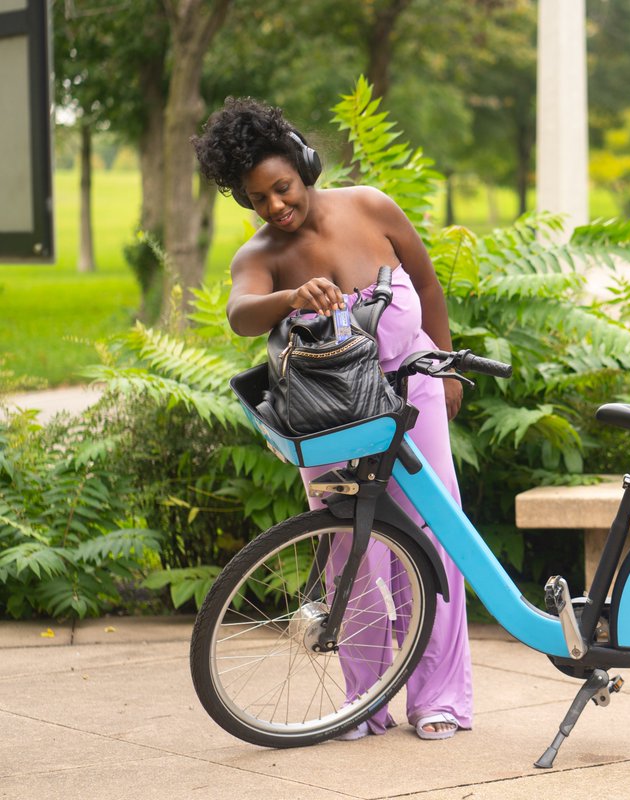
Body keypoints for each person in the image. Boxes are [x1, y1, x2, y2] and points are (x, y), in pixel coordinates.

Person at [192, 97, 472, 742]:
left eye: (281, 188)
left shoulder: (372, 206)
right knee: (352, 548)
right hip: (330, 416)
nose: (274, 207)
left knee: (436, 536)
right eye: (256, 198)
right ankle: (363, 701)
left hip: (413, 393)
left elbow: (427, 286)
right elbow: (240, 314)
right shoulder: (260, 255)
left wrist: (448, 367)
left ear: (303, 162)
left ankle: (439, 698)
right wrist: (291, 297)